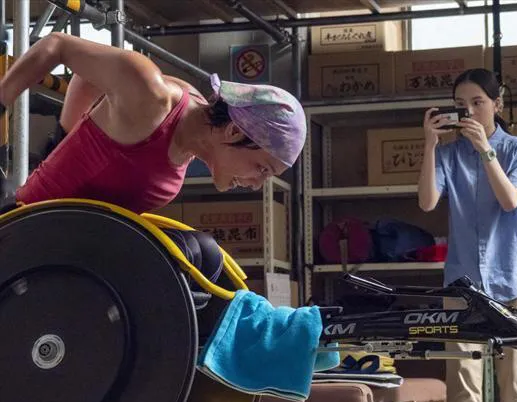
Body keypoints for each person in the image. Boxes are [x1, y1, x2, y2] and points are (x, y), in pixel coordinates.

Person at [0, 32, 307, 283]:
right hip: (29, 238)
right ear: (232, 132)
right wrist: (55, 138)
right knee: (190, 254)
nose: (256, 184)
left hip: (83, 252)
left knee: (205, 255)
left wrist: (66, 139)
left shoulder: (192, 124)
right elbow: (58, 45)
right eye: (262, 169)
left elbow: (93, 77)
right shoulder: (152, 97)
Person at [418, 68, 517, 402]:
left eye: (478, 102)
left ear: (497, 104)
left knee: (515, 373)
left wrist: (486, 149)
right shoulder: (448, 154)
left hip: (514, 270)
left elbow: (510, 201)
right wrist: (430, 145)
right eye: (460, 104)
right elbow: (427, 202)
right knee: (462, 374)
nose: (469, 112)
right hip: (463, 276)